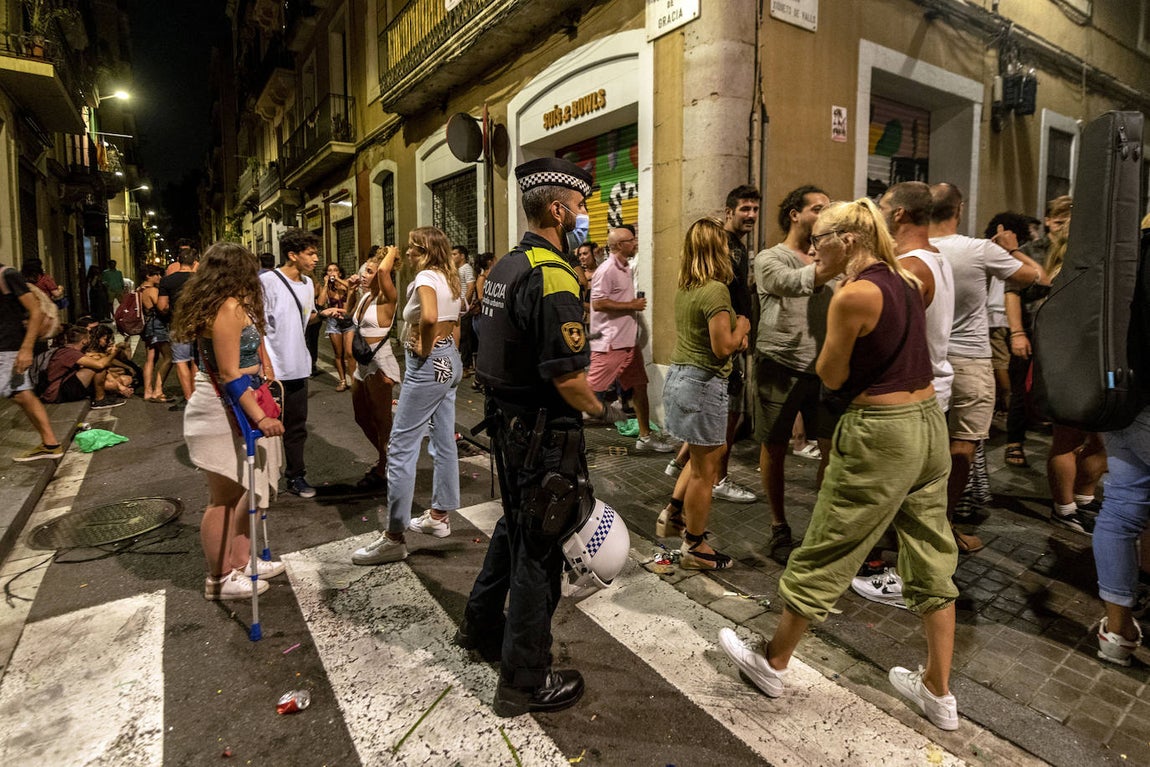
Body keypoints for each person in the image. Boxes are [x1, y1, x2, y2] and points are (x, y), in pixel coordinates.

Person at [719, 198, 960, 732]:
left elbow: (829, 374)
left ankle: (772, 661)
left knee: (831, 541)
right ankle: (939, 692)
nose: (812, 250)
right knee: (931, 550)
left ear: (847, 240)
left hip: (880, 431)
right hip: (927, 425)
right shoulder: (906, 279)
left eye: (819, 240)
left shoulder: (852, 295)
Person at [459, 157, 624, 717]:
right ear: (558, 209)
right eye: (579, 209)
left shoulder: (505, 267)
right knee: (540, 550)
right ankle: (524, 682)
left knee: (515, 528)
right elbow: (570, 377)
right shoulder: (553, 275)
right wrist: (602, 412)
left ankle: (480, 628)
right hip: (544, 435)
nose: (583, 219)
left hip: (509, 429)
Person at [928, 182, 1045, 554]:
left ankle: (917, 525)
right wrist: (1013, 250)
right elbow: (1036, 277)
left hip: (927, 359)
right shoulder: (977, 250)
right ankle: (942, 526)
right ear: (959, 209)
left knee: (925, 447)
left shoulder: (914, 250)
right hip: (970, 360)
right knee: (963, 445)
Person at [171, 242, 287, 601]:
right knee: (223, 498)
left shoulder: (227, 303)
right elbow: (228, 373)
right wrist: (261, 417)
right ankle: (219, 579)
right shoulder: (228, 307)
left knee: (244, 491)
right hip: (221, 407)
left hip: (234, 401)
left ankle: (241, 562)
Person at [352, 226, 463, 563]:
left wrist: (427, 348)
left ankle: (394, 536)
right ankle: (439, 515)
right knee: (443, 440)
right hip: (449, 362)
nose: (409, 253)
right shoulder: (452, 278)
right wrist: (444, 351)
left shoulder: (428, 277)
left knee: (400, 447)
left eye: (413, 248)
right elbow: (455, 319)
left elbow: (429, 316)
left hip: (427, 365)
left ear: (424, 251)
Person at [660, 218, 751, 569]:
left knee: (708, 457)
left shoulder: (687, 286)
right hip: (702, 383)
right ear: (718, 249)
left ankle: (673, 515)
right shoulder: (715, 289)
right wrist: (742, 325)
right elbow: (722, 346)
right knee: (705, 472)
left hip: (683, 378)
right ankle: (695, 547)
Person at [753, 185, 835, 562]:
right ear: (795, 214)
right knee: (775, 447)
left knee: (832, 452)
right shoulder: (771, 258)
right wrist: (835, 260)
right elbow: (793, 283)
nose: (826, 214)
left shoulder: (830, 259)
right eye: (818, 208)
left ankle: (821, 527)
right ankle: (777, 525)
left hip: (824, 368)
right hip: (780, 365)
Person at [260, 229, 342, 498]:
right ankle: (262, 482)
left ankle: (296, 477)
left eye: (316, 253)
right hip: (272, 369)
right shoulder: (268, 282)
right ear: (292, 255)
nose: (316, 258)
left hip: (298, 366)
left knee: (296, 428)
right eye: (310, 253)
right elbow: (256, 327)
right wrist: (265, 366)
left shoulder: (308, 284)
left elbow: (305, 320)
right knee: (265, 428)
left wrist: (323, 314)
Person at [588, 225, 677, 453]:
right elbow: (598, 302)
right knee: (589, 394)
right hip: (610, 343)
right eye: (630, 240)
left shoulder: (626, 268)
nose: (635, 242)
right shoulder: (606, 270)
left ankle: (645, 436)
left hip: (628, 342)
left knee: (640, 386)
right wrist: (631, 305)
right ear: (618, 245)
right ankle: (561, 434)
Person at [1005, 197, 1072, 468]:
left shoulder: (1074, 250)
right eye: (1058, 221)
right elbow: (1012, 291)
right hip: (1032, 326)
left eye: (1066, 222)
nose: (1061, 227)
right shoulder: (1031, 250)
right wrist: (1017, 332)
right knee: (1021, 386)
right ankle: (1014, 440)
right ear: (1047, 220)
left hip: (1062, 332)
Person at [712, 184, 762, 503]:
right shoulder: (722, 245)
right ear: (729, 212)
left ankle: (687, 467)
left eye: (755, 209)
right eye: (745, 209)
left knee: (727, 413)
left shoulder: (739, 247)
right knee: (727, 414)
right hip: (728, 342)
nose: (752, 215)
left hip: (736, 339)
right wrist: (738, 333)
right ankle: (718, 479)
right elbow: (721, 295)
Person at [349, 247, 401, 491]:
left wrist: (391, 251)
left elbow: (383, 269)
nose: (364, 275)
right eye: (364, 271)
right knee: (361, 417)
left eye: (369, 272)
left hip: (379, 364)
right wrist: (349, 295)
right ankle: (387, 459)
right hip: (362, 364)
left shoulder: (386, 297)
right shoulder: (366, 296)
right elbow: (353, 318)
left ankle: (385, 468)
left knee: (383, 421)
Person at [0, 260, 63, 462]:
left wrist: (26, 349)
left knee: (20, 393)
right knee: (21, 394)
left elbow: (36, 311)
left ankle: (50, 443)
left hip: (8, 347)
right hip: (6, 348)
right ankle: (50, 443)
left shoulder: (7, 274)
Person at [39, 325, 127, 408]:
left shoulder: (71, 351)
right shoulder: (68, 353)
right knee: (97, 367)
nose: (90, 339)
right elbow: (100, 365)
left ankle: (102, 394)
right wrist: (114, 353)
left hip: (62, 387)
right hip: (57, 392)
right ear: (84, 341)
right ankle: (100, 399)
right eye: (89, 337)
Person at [158, 249, 199, 411]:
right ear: (195, 261)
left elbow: (162, 306)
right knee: (196, 360)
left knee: (181, 361)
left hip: (178, 324)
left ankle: (188, 398)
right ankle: (197, 396)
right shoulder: (200, 280)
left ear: (177, 261)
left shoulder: (167, 281)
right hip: (197, 324)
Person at [316, 262, 353, 391]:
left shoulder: (346, 283)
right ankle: (342, 381)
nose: (332, 272)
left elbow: (351, 287)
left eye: (335, 270)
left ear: (340, 272)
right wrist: (326, 284)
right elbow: (320, 303)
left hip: (348, 322)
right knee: (339, 354)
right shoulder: (326, 288)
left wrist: (337, 279)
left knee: (350, 353)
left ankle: (354, 380)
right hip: (334, 323)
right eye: (329, 271)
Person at [139, 265, 173, 402]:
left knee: (150, 359)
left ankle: (147, 391)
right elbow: (162, 308)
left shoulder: (140, 289)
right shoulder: (152, 290)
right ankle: (157, 391)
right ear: (148, 276)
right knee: (169, 357)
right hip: (157, 325)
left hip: (147, 326)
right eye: (156, 275)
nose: (159, 277)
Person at [454, 244, 477, 373]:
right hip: (459, 307)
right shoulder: (458, 269)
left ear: (462, 256)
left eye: (454, 254)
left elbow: (471, 286)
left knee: (464, 337)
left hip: (464, 308)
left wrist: (465, 304)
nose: (452, 257)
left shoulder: (466, 268)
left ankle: (466, 366)